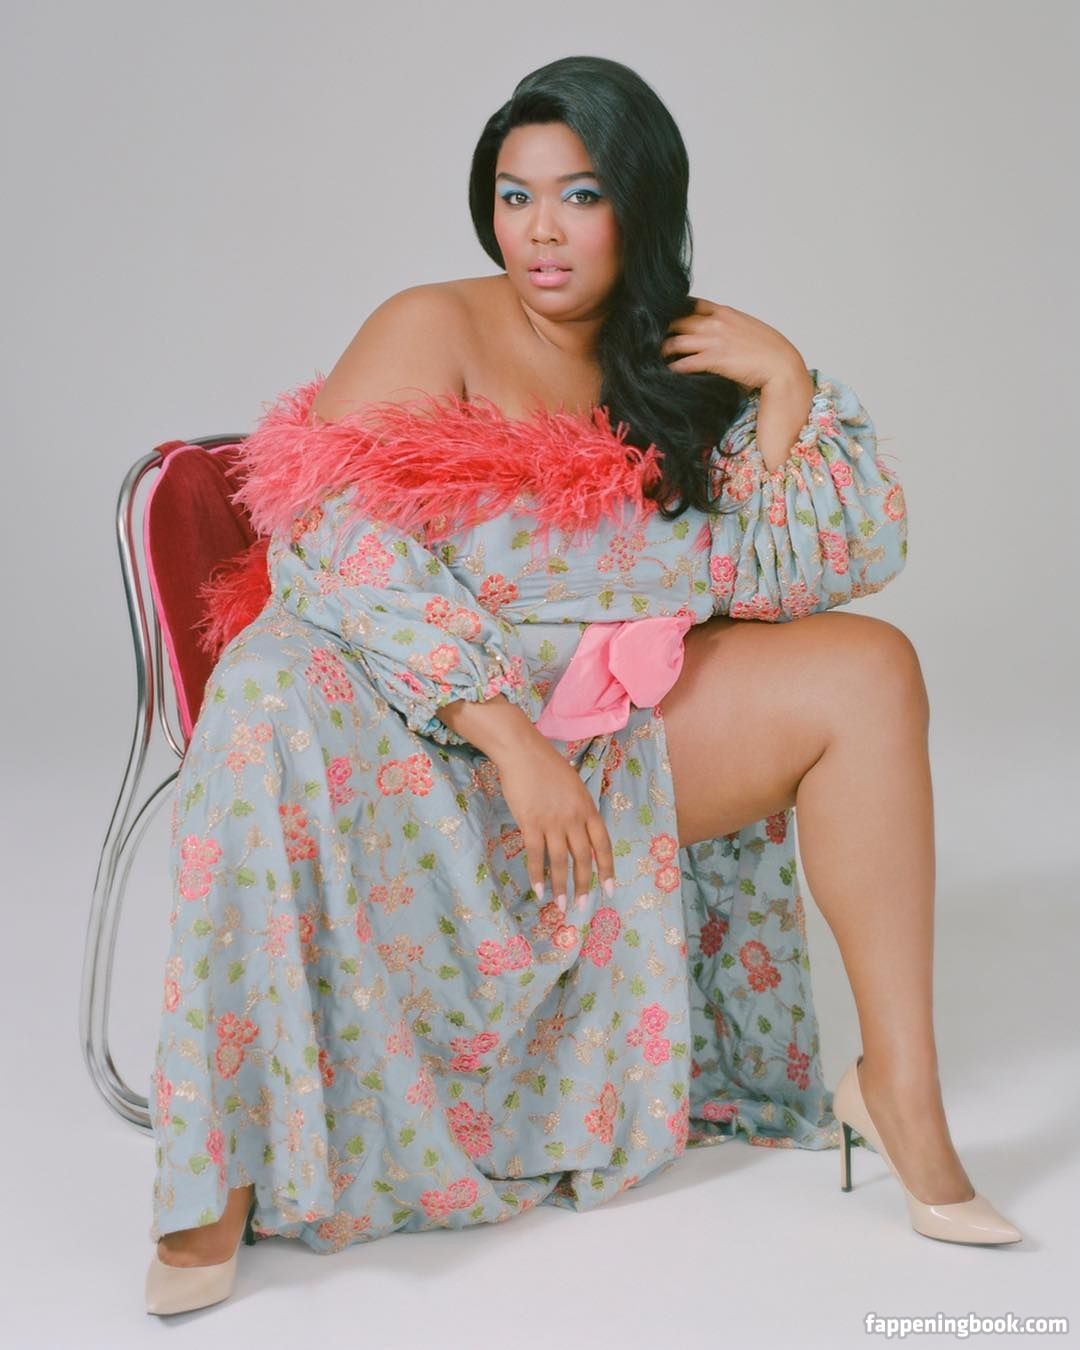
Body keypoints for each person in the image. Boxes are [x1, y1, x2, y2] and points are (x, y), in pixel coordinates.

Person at [144, 53, 1021, 1317]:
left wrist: (784, 378)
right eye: (515, 196)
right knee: (261, 700)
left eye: (580, 195)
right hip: (418, 718)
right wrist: (510, 738)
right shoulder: (431, 324)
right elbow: (329, 537)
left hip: (614, 718)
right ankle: (222, 1168)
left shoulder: (675, 353)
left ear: (640, 204)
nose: (541, 231)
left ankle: (902, 1096)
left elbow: (811, 566)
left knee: (871, 671)